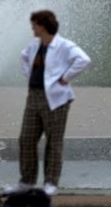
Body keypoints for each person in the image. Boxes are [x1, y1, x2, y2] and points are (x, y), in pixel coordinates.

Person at [15, 10, 90, 197]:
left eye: (34, 24)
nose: (32, 28)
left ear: (43, 26)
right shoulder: (35, 45)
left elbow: (83, 60)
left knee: (53, 142)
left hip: (56, 100)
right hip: (34, 96)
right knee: (26, 139)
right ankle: (27, 181)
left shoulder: (64, 45)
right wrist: (30, 75)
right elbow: (23, 58)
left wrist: (65, 78)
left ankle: (50, 182)